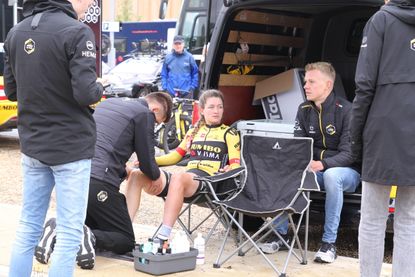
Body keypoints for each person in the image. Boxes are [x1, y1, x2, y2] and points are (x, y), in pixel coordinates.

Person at [3, 0, 104, 275]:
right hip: (71, 146)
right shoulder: (78, 32)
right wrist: (100, 87)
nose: (91, 3)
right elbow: (86, 93)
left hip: (33, 144)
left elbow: (12, 91)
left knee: (28, 227)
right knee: (70, 233)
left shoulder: (15, 32)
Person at [260, 62, 360, 263]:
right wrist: (304, 162)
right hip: (315, 169)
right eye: (306, 81)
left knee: (332, 176)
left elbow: (349, 154)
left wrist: (321, 163)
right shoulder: (304, 109)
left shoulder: (347, 110)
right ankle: (281, 235)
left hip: (347, 172)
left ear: (328, 85)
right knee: (289, 170)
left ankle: (329, 243)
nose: (305, 86)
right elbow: (299, 146)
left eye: (312, 82)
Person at [350, 0, 415, 276]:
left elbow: (365, 84)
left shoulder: (381, 20)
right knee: (410, 221)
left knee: (373, 219)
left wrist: (355, 137)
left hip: (383, 129)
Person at [125, 89, 240, 241]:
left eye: (220, 107)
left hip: (209, 182)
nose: (216, 111)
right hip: (187, 181)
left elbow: (236, 165)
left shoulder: (229, 133)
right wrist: (149, 161)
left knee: (178, 177)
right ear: (202, 110)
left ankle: (164, 235)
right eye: (211, 107)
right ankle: (124, 230)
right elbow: (175, 156)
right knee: (136, 175)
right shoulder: (193, 132)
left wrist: (230, 168)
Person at [82, 93, 172, 261]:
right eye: (157, 122)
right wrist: (157, 176)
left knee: (99, 228)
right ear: (155, 109)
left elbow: (103, 145)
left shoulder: (108, 103)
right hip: (99, 181)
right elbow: (147, 162)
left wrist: (124, 170)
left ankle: (67, 232)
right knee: (124, 239)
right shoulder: (144, 114)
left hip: (76, 177)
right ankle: (77, 234)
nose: (154, 125)